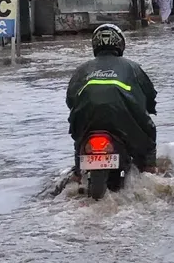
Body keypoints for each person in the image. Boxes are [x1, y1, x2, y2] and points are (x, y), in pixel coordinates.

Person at [66, 24, 158, 172]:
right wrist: (150, 108)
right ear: (120, 44)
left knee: (79, 141)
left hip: (87, 119)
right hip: (123, 119)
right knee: (149, 136)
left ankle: (78, 173)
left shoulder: (82, 69)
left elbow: (70, 98)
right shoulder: (132, 67)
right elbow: (149, 93)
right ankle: (150, 171)